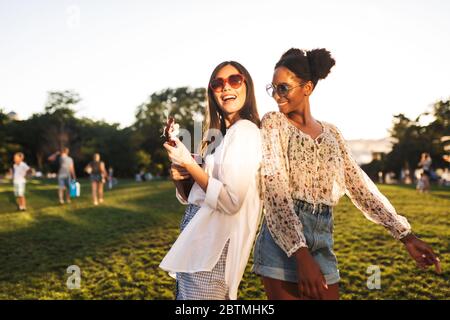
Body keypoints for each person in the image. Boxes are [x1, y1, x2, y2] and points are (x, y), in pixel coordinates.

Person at [253, 48, 442, 300]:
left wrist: (405, 235)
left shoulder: (332, 134)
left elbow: (359, 186)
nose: (276, 96)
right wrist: (300, 253)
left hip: (322, 237)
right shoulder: (273, 123)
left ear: (307, 87)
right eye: (273, 88)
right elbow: (274, 191)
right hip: (283, 241)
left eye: (283, 88)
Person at [159, 61, 263, 300]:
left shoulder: (245, 131)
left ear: (247, 85)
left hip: (212, 249)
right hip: (198, 241)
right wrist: (180, 175)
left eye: (234, 80)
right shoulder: (219, 137)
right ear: (212, 92)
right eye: (218, 84)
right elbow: (192, 196)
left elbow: (230, 201)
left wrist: (188, 163)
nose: (226, 87)